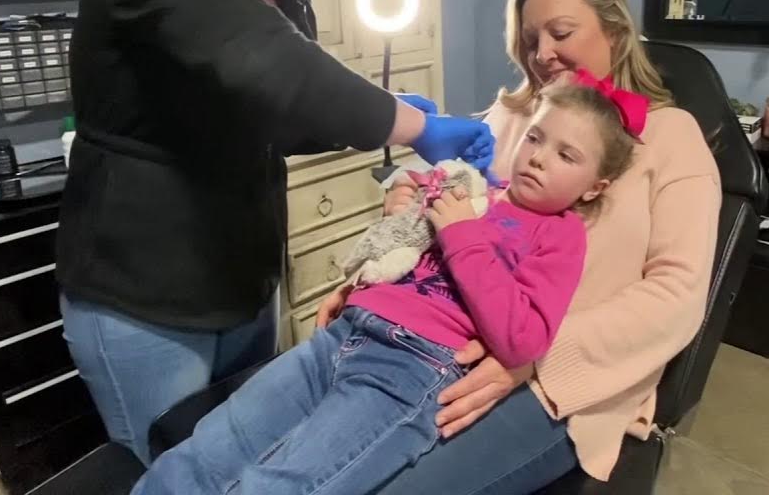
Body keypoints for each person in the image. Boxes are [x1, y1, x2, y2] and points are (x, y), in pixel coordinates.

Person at [54, 0, 494, 466]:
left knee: (245, 462)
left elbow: (283, 117)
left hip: (240, 283)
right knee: (181, 473)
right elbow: (268, 68)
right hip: (143, 296)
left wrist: (399, 114)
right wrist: (407, 125)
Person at [131, 74, 644, 495]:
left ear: (595, 185)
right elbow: (398, 238)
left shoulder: (562, 236)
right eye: (535, 137)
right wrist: (402, 194)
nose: (537, 157)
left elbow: (523, 338)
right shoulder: (478, 189)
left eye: (566, 155)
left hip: (410, 369)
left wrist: (462, 234)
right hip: (342, 336)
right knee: (209, 449)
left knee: (283, 483)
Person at [350, 0, 722, 493]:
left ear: (615, 32)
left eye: (561, 33)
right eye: (529, 39)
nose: (542, 52)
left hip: (567, 383)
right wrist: (363, 282)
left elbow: (677, 295)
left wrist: (536, 361)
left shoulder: (670, 138)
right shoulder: (508, 119)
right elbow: (446, 218)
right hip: (442, 337)